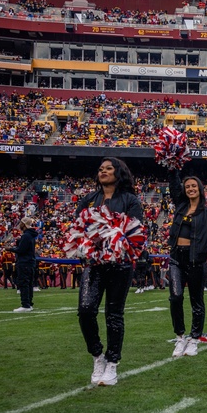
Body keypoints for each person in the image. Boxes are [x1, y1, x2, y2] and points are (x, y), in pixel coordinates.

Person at [75, 158, 144, 387]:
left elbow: (135, 230)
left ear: (119, 172)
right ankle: (98, 356)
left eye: (108, 168)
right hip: (93, 264)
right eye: (101, 169)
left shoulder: (130, 200)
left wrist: (114, 240)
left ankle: (112, 362)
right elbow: (77, 227)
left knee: (114, 315)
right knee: (85, 311)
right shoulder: (88, 200)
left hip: (120, 264)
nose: (102, 171)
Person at [167, 171, 207, 358]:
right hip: (176, 259)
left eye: (194, 186)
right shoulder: (180, 207)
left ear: (200, 190)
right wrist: (172, 168)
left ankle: (194, 339)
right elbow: (174, 186)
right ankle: (180, 336)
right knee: (175, 297)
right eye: (187, 187)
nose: (190, 189)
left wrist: (203, 250)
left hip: (196, 262)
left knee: (196, 301)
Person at [11, 216, 38, 312]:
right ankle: (29, 304)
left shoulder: (26, 236)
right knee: (29, 284)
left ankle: (25, 305)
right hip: (30, 262)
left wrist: (10, 249)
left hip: (24, 262)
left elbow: (21, 250)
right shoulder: (30, 235)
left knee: (24, 283)